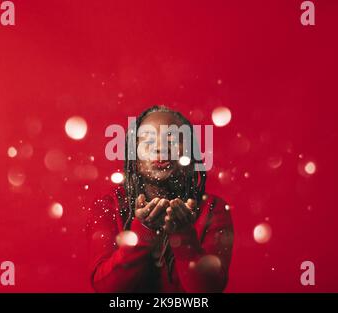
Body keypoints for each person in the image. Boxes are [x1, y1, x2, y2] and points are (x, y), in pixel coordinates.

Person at [88, 105, 233, 292]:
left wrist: (183, 235)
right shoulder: (109, 205)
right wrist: (143, 234)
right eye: (147, 141)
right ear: (134, 158)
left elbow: (209, 290)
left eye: (172, 140)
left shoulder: (213, 208)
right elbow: (106, 288)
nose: (160, 148)